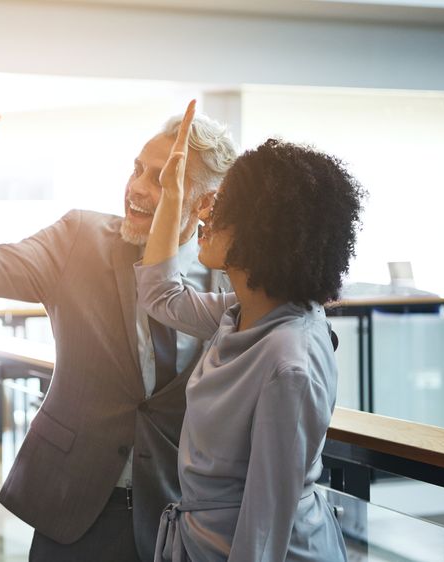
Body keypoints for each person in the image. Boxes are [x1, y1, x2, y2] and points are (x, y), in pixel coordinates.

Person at [0, 66, 238, 562]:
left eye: (163, 179)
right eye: (137, 169)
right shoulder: (78, 237)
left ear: (206, 203)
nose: (137, 187)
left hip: (180, 520)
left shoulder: (232, 281)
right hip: (75, 509)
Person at [135, 101, 361, 561]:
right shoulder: (245, 312)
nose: (207, 215)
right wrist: (171, 192)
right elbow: (160, 295)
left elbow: (263, 532)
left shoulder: (287, 363)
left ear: (263, 233)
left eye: (226, 207)